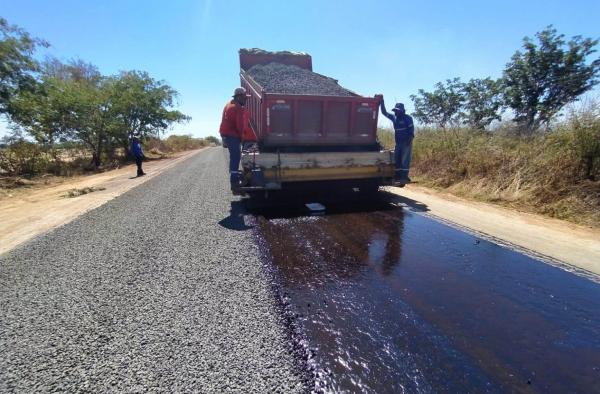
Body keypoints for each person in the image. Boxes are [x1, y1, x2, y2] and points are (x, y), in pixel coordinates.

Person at [378, 96, 414, 186]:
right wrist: (381, 102)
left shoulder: (408, 118)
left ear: (402, 111)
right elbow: (384, 112)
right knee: (397, 160)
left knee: (404, 160)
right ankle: (398, 176)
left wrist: (408, 141)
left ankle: (404, 177)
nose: (396, 112)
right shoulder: (394, 118)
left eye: (397, 111)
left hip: (406, 143)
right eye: (395, 111)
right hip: (398, 143)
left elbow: (411, 132)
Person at [219, 87, 249, 193]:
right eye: (245, 97)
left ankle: (234, 179)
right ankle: (235, 182)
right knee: (236, 157)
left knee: (234, 157)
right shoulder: (237, 108)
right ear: (239, 97)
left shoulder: (229, 104)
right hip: (232, 135)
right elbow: (240, 126)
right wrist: (243, 138)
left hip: (226, 135)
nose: (246, 100)